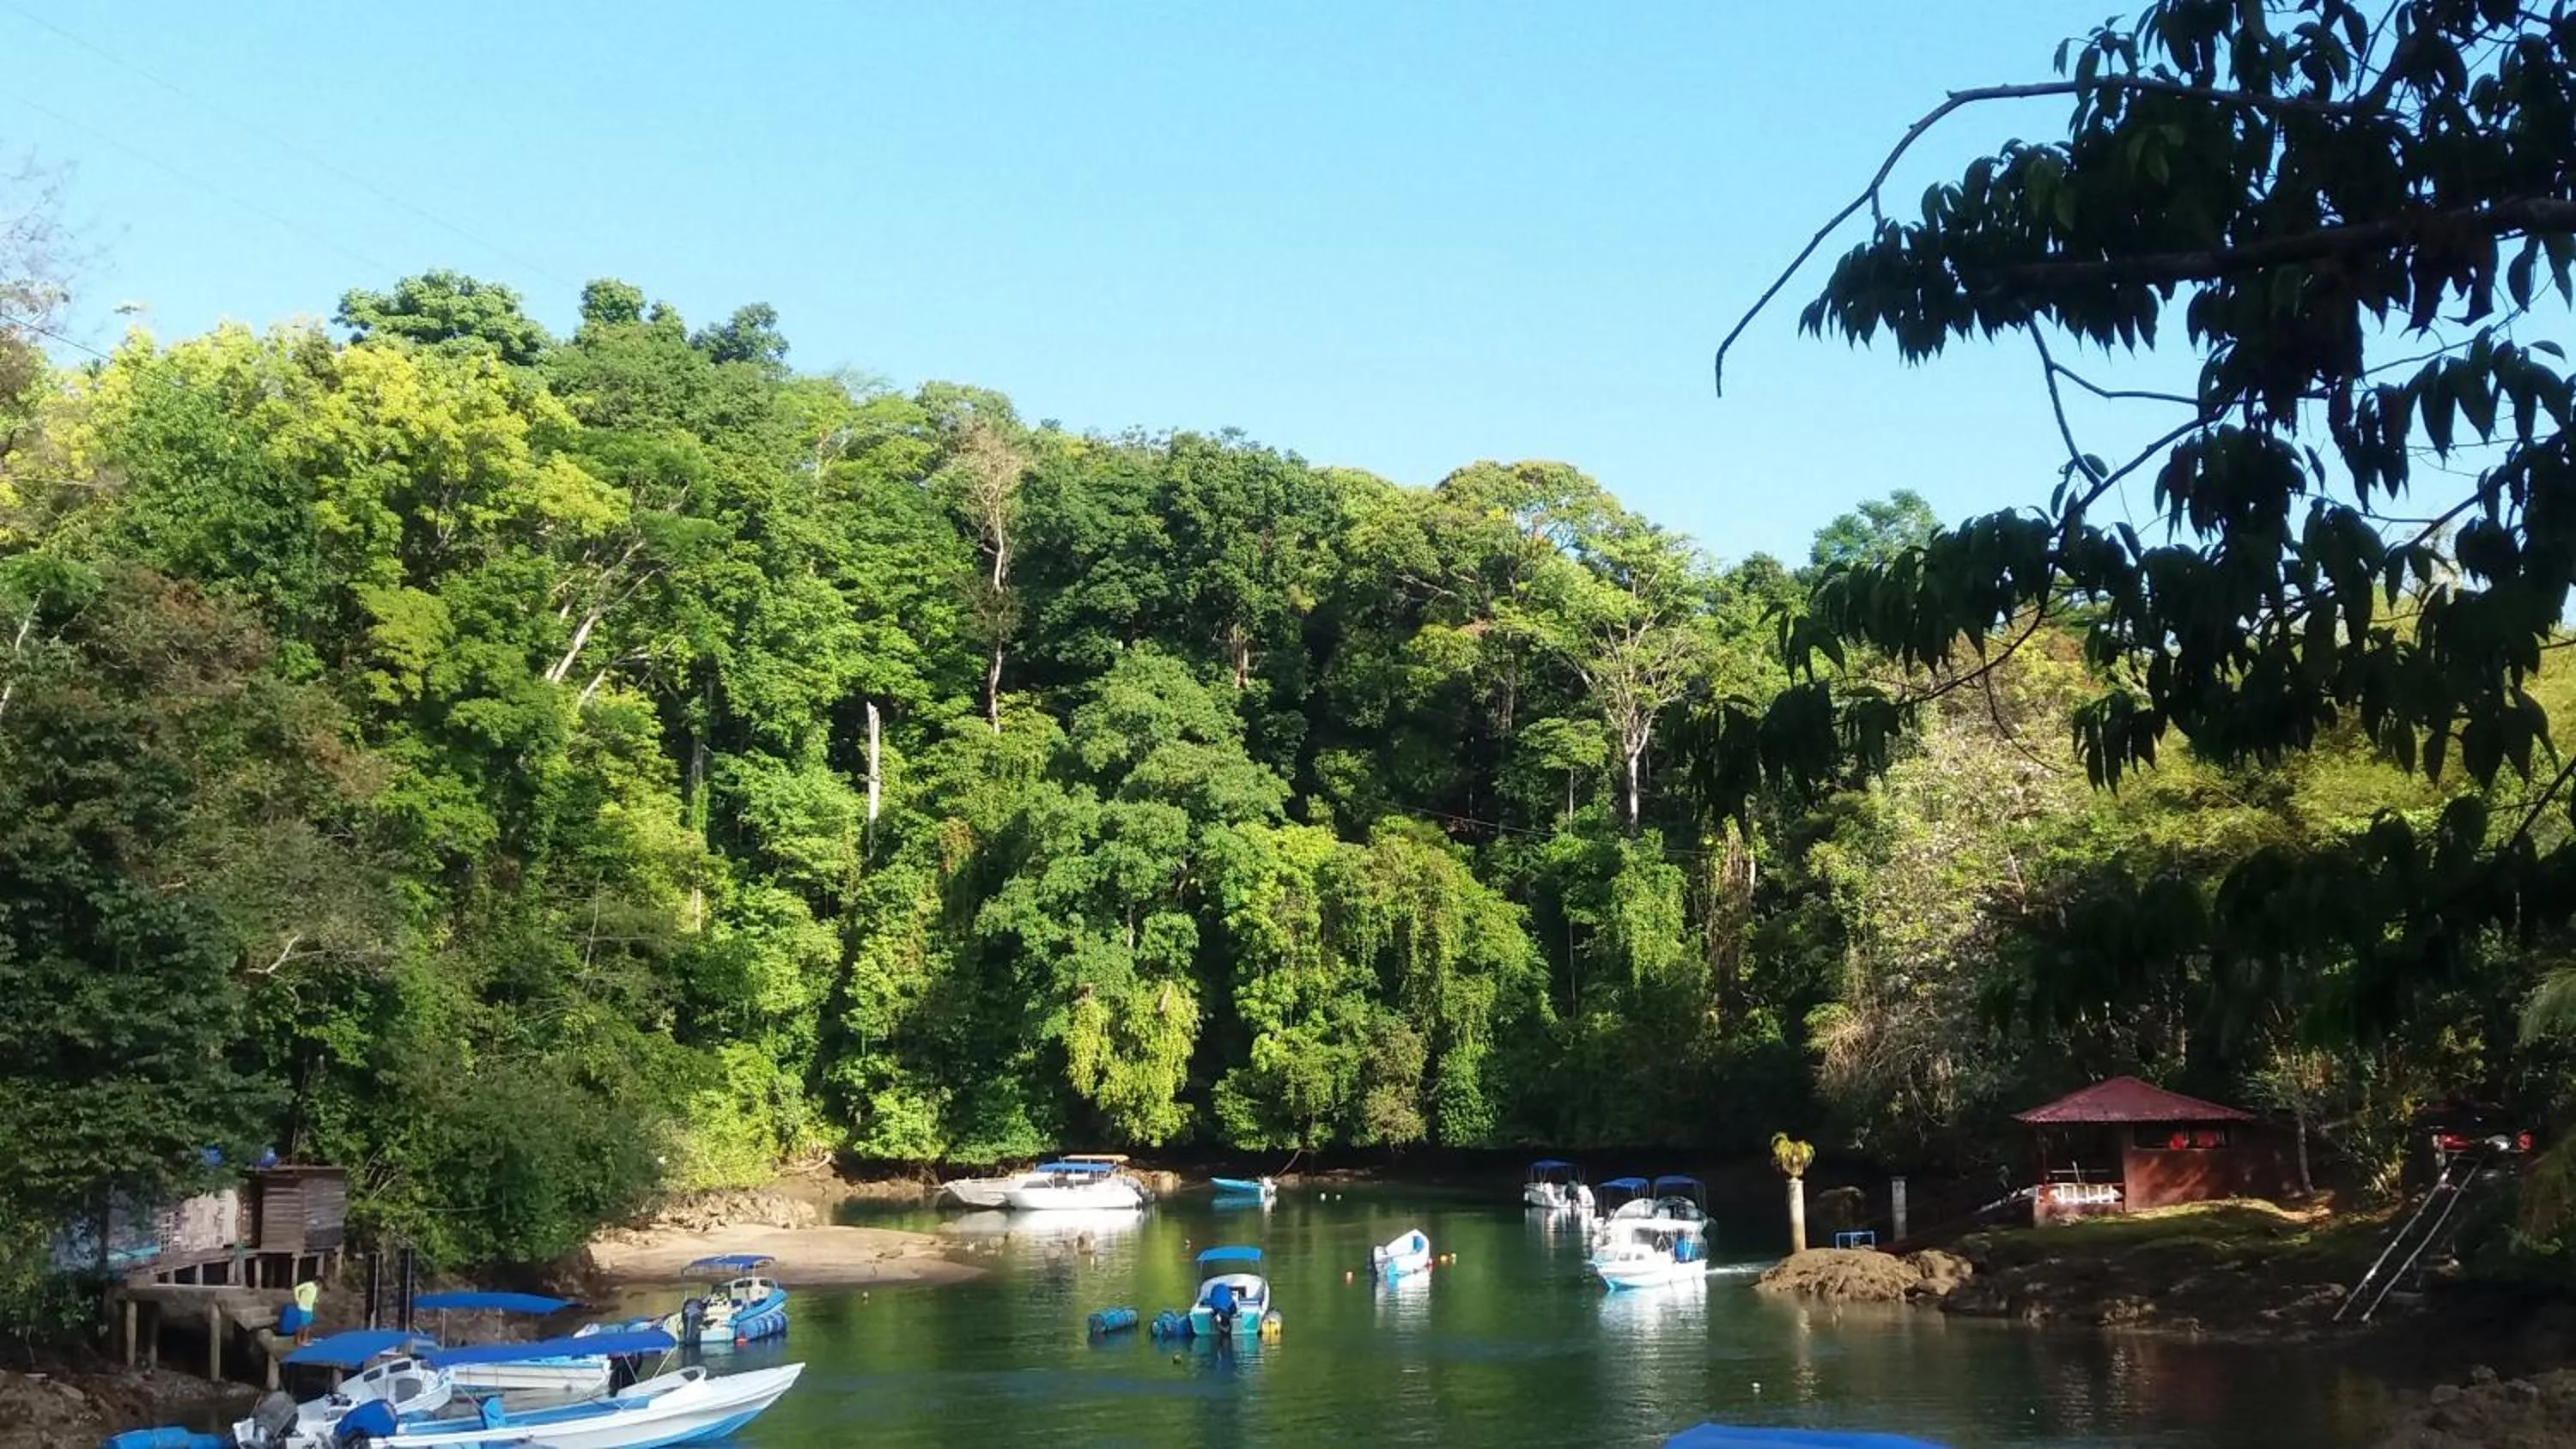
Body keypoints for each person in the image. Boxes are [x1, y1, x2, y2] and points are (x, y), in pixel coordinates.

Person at [283, 1279, 319, 1345]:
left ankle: (305, 1339)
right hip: (303, 1307)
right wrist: (297, 1299)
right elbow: (296, 1289)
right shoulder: (308, 1284)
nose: (320, 1285)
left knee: (308, 1325)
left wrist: (315, 1300)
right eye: (320, 1283)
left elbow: (312, 1296)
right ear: (317, 1281)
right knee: (302, 1325)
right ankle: (298, 1341)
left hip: (310, 1308)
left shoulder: (316, 1287)